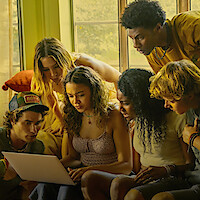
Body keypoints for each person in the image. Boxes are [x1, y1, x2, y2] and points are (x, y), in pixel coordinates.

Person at [81, 68, 193, 200]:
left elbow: (190, 164)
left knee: (133, 195)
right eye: (119, 102)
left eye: (126, 103)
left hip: (172, 177)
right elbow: (135, 167)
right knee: (92, 179)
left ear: (142, 101)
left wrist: (166, 169)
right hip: (144, 177)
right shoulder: (138, 121)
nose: (120, 108)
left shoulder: (176, 117)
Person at [29, 66, 132, 200]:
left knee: (67, 190)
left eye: (81, 95)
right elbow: (73, 157)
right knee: (44, 184)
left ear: (94, 91)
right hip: (81, 173)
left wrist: (88, 170)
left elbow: (126, 166)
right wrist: (52, 168)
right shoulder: (72, 116)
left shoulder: (114, 117)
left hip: (109, 177)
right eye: (70, 96)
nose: (75, 102)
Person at [31, 37, 121, 158]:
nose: (53, 74)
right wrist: (63, 122)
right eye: (47, 69)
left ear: (65, 60)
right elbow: (52, 100)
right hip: (77, 105)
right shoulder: (44, 77)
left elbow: (119, 77)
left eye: (57, 66)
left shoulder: (86, 64)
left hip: (102, 102)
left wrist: (121, 108)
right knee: (64, 135)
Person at [149, 59, 200, 200]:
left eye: (171, 101)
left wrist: (193, 139)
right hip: (193, 179)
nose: (166, 105)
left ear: (189, 95)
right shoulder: (190, 110)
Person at [121, 0, 200, 74]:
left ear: (158, 28)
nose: (135, 45)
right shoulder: (151, 52)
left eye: (140, 37)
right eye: (132, 38)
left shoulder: (191, 27)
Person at [0, 91, 49, 200]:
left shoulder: (37, 147)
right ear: (13, 120)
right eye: (27, 123)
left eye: (37, 123)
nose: (34, 130)